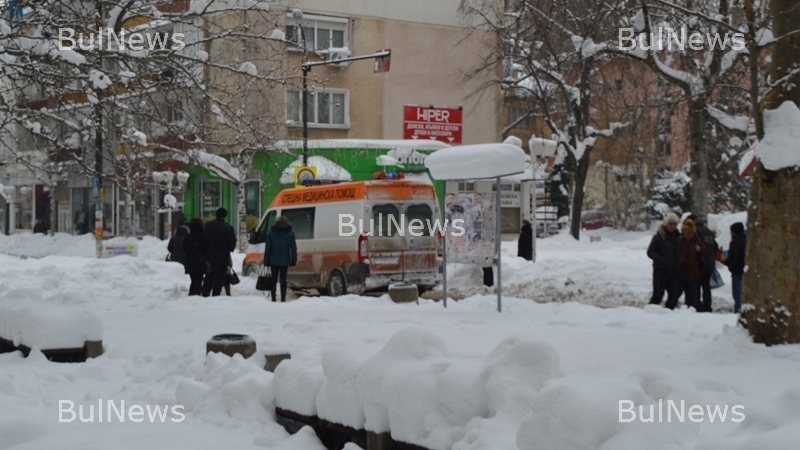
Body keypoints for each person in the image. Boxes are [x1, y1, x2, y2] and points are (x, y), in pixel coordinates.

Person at [647, 213, 683, 309]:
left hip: (673, 271)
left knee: (673, 295)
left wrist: (680, 261)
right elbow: (650, 252)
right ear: (666, 224)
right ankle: (650, 312)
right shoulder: (658, 237)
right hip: (660, 271)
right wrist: (661, 260)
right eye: (670, 224)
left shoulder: (678, 238)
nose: (672, 226)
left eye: (674, 224)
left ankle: (668, 315)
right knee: (658, 295)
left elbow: (681, 251)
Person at [203, 208, 237, 297]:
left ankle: (204, 296)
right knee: (218, 280)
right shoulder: (228, 228)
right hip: (222, 259)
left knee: (208, 278)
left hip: (209, 257)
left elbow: (204, 241)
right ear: (225, 216)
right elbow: (231, 244)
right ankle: (216, 297)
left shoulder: (208, 226)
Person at [687, 214, 718, 312]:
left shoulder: (695, 232)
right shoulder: (707, 230)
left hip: (700, 263)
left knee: (696, 286)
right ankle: (707, 306)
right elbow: (715, 246)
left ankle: (698, 306)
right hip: (710, 263)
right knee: (706, 287)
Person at [264, 215, 297, 302]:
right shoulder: (290, 234)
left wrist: (266, 261)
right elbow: (293, 248)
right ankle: (283, 298)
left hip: (273, 260)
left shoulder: (271, 233)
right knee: (283, 279)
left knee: (273, 279)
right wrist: (293, 260)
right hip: (285, 260)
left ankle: (273, 298)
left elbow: (268, 248)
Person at [678, 218, 705, 310]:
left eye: (691, 233)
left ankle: (691, 311)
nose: (689, 235)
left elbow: (704, 249)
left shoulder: (696, 240)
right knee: (677, 293)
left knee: (692, 296)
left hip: (693, 274)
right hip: (681, 273)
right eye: (687, 233)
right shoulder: (679, 241)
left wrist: (700, 249)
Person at [183, 218, 210, 296]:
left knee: (194, 280)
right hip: (200, 262)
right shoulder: (203, 236)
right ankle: (195, 296)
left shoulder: (188, 237)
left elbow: (185, 248)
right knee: (198, 280)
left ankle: (193, 294)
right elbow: (207, 248)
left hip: (190, 262)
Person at [725, 222, 746, 313]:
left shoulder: (734, 242)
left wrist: (728, 263)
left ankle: (738, 311)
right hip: (745, 270)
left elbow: (734, 256)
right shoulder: (747, 240)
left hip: (737, 271)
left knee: (737, 294)